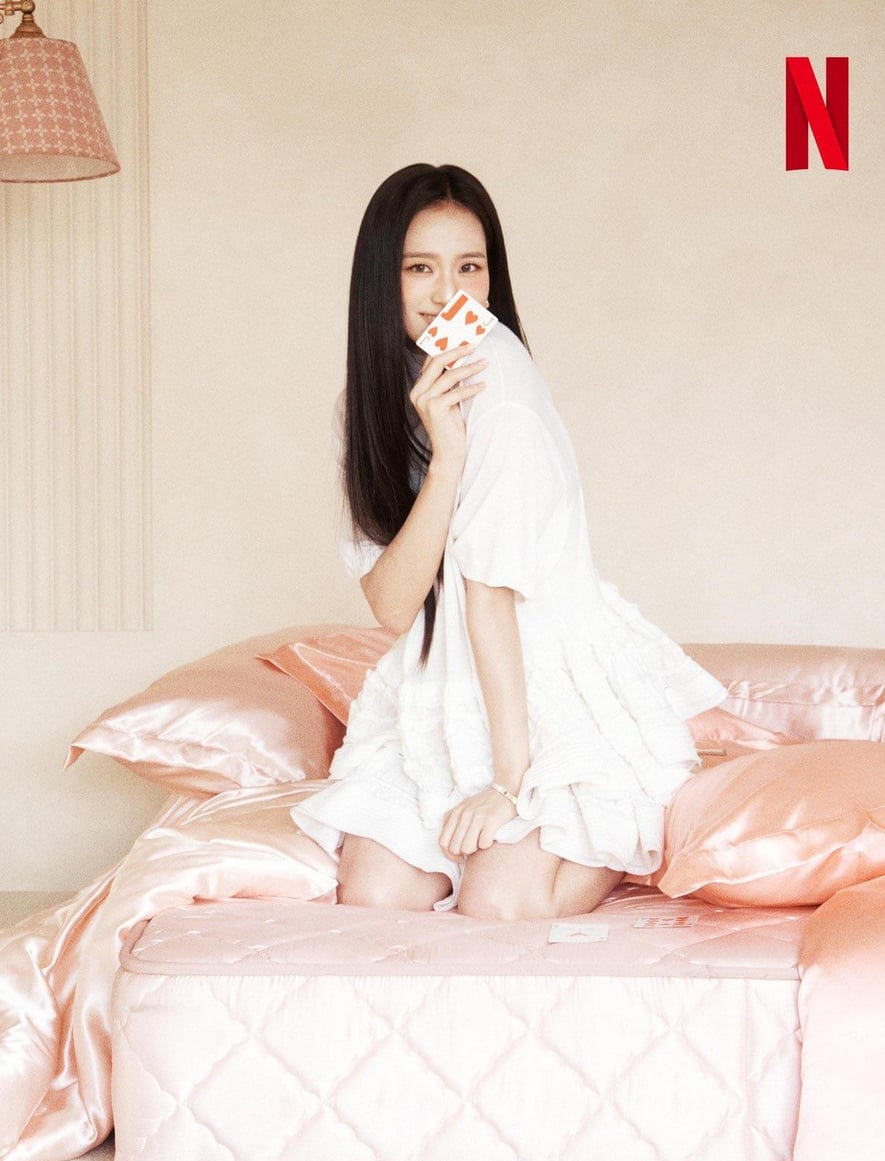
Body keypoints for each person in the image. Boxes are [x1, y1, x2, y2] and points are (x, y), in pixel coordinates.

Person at [290, 163, 729, 921]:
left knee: (500, 905)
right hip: (442, 677)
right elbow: (394, 606)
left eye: (469, 267)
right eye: (419, 268)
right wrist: (445, 458)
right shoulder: (366, 407)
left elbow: (489, 592)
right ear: (380, 280)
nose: (447, 295)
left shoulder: (502, 375)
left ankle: (622, 817)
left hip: (536, 677)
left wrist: (509, 783)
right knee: (373, 896)